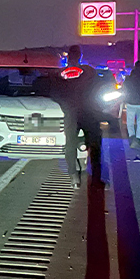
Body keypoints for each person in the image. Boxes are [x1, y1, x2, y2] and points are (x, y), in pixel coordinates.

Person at [43, 45, 107, 188]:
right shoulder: (89, 72)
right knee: (95, 146)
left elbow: (53, 92)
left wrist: (65, 105)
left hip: (71, 113)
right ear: (80, 56)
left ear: (68, 57)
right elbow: (100, 88)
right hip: (89, 113)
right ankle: (96, 179)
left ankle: (74, 177)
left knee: (70, 144)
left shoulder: (60, 74)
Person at [120, 60, 140, 158]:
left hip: (131, 102)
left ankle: (132, 137)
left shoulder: (129, 79)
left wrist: (125, 99)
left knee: (130, 120)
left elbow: (124, 89)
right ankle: (138, 138)